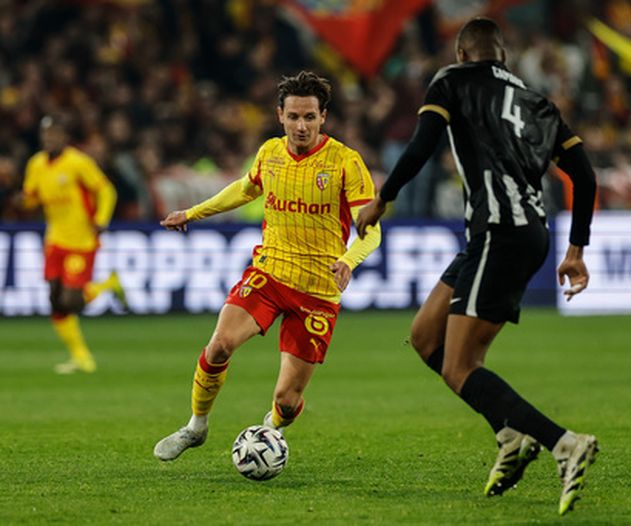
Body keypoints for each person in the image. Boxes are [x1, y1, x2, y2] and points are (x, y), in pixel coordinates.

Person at [356, 17, 599, 516]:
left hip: (500, 232)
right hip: (513, 232)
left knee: (459, 365)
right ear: (503, 56)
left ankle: (563, 443)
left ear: (463, 52)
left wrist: (383, 198)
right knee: (426, 336)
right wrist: (575, 250)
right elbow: (585, 176)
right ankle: (509, 435)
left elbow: (422, 143)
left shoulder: (451, 80)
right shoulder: (537, 102)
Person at [154, 71, 381, 462]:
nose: (301, 125)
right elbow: (243, 189)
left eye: (309, 117)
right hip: (269, 273)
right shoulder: (270, 153)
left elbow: (370, 230)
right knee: (219, 345)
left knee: (287, 400)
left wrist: (348, 261)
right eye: (293, 116)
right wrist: (192, 212)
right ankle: (196, 426)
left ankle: (270, 432)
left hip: (317, 292)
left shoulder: (345, 162)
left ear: (323, 117)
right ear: (280, 115)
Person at [20, 115, 126, 374]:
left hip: (82, 240)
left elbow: (106, 190)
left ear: (63, 137)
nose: (49, 139)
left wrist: (101, 219)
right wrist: (23, 200)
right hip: (54, 240)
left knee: (72, 301)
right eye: (45, 135)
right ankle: (81, 357)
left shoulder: (78, 163)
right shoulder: (36, 165)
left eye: (54, 135)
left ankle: (108, 285)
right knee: (55, 301)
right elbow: (31, 199)